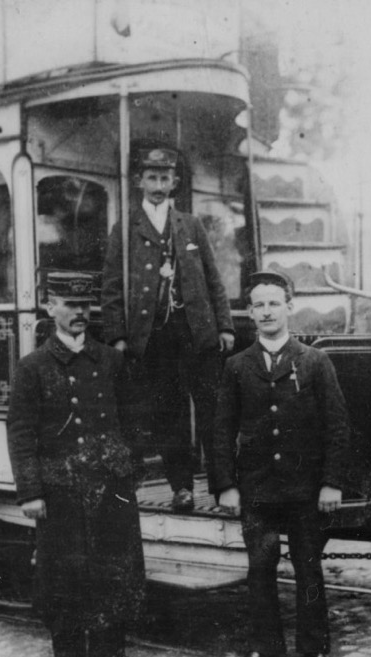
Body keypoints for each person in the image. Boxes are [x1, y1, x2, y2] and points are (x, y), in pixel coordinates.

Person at [6, 271, 145, 657]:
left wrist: (130, 466)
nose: (80, 313)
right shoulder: (32, 367)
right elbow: (20, 432)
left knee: (114, 564)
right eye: (71, 305)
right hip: (60, 484)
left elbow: (135, 418)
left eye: (86, 306)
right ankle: (66, 652)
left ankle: (112, 647)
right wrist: (30, 491)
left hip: (110, 480)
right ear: (51, 307)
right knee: (64, 568)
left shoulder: (111, 359)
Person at [214, 271, 350, 657]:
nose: (267, 311)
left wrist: (331, 482)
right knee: (260, 567)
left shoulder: (314, 362)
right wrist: (226, 485)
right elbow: (220, 429)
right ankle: (263, 648)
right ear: (250, 312)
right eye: (259, 304)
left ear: (289, 307)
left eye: (275, 302)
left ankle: (315, 652)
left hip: (305, 489)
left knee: (309, 568)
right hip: (257, 489)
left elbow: (338, 426)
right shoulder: (237, 366)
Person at [101, 147, 235, 511]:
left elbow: (213, 279)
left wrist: (224, 326)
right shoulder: (125, 229)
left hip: (197, 332)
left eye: (165, 178)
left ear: (174, 182)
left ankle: (225, 486)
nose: (159, 185)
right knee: (169, 413)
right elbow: (111, 286)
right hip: (154, 338)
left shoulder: (191, 225)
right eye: (152, 178)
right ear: (139, 181)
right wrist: (118, 335)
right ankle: (182, 488)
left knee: (213, 410)